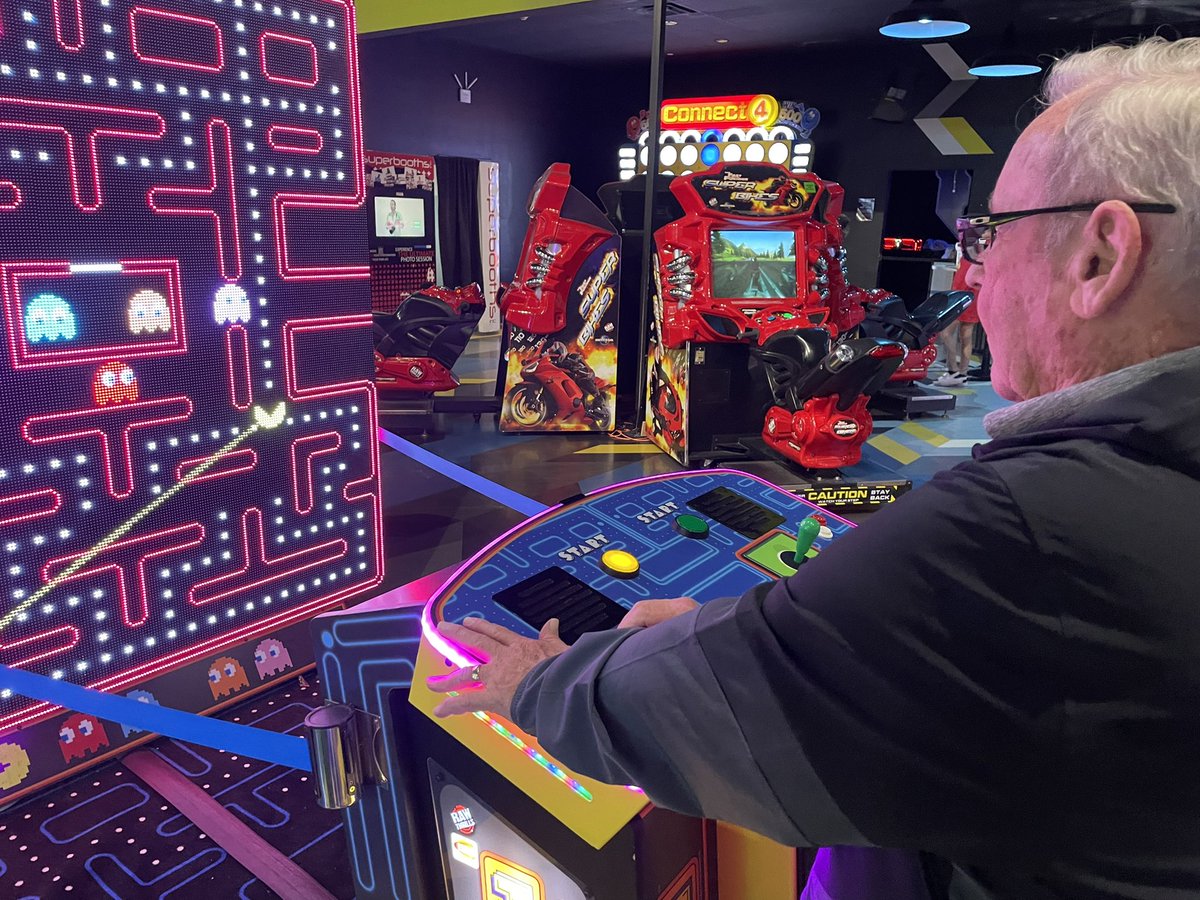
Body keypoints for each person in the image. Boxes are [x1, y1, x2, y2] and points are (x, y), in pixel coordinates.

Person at [429, 37, 1200, 899]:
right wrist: (749, 623)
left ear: (1101, 256)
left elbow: (715, 713)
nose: (974, 271)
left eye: (992, 232)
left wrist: (538, 684)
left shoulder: (1025, 528)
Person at [934, 248, 981, 387]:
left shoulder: (977, 251)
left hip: (967, 296)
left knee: (955, 333)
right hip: (961, 295)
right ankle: (959, 373)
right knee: (960, 335)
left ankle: (956, 372)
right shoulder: (966, 251)